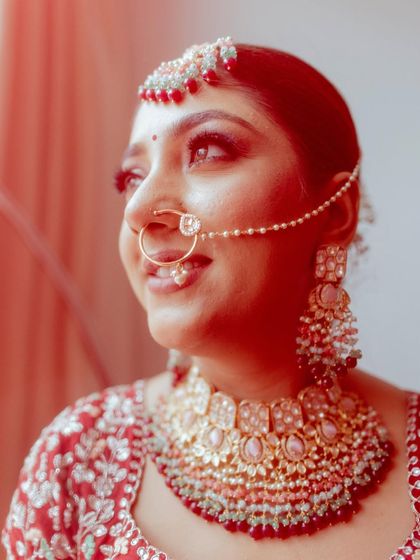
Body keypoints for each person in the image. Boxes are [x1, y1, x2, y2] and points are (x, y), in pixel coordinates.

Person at [2, 37, 419, 560]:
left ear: (334, 214)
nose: (139, 210)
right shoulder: (77, 462)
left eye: (207, 151)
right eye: (132, 177)